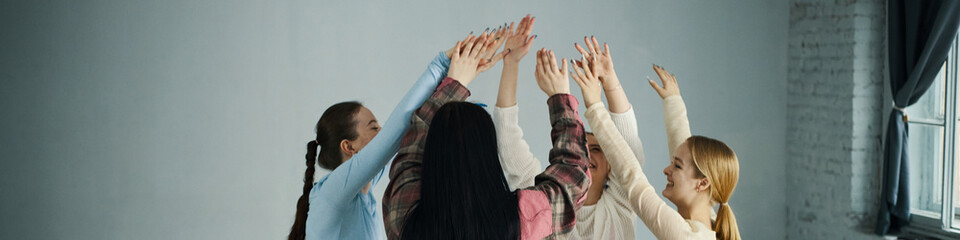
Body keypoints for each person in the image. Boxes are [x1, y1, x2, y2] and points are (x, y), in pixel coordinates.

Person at [287, 29, 507, 240]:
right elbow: (398, 131)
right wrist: (445, 72)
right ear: (348, 147)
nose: (382, 132)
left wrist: (452, 84)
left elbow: (412, 133)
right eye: (373, 127)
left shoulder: (365, 198)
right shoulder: (329, 193)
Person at [381, 29, 591, 239]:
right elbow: (573, 178)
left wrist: (455, 80)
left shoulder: (406, 216)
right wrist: (560, 98)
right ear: (488, 153)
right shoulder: (519, 217)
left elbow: (411, 152)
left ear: (432, 151)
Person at [570, 49, 742, 240]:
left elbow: (633, 179)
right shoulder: (709, 220)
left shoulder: (685, 236)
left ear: (702, 183)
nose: (666, 169)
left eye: (676, 166)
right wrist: (673, 101)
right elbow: (688, 155)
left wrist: (594, 106)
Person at [495, 35, 641, 239]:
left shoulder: (622, 206)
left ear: (611, 166)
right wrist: (511, 64)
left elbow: (628, 148)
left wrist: (610, 79)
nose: (586, 155)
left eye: (597, 149)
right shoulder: (544, 205)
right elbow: (508, 141)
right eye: (584, 149)